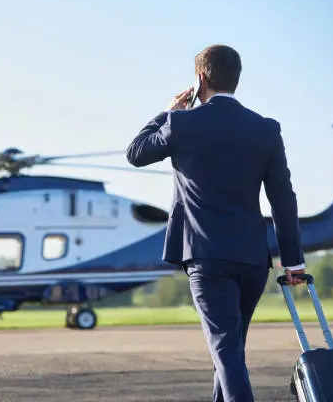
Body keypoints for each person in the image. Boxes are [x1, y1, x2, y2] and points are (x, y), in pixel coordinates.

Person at [126, 44, 306, 402]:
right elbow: (283, 199)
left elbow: (136, 152)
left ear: (200, 78)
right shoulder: (266, 130)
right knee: (229, 354)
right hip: (253, 260)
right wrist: (294, 260)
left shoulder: (181, 123)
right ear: (237, 79)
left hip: (208, 259)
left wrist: (168, 112)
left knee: (226, 352)